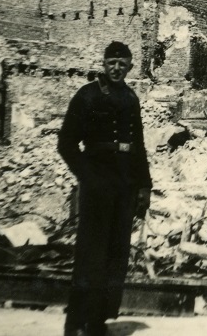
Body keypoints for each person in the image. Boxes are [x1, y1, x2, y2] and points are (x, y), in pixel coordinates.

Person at [58, 41, 152, 336]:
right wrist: (88, 177)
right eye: (112, 62)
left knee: (116, 255)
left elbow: (138, 147)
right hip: (97, 185)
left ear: (130, 67)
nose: (116, 68)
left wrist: (144, 187)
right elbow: (66, 144)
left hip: (124, 186)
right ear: (103, 63)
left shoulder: (131, 98)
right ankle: (75, 323)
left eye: (122, 64)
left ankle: (98, 321)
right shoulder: (86, 96)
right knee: (90, 254)